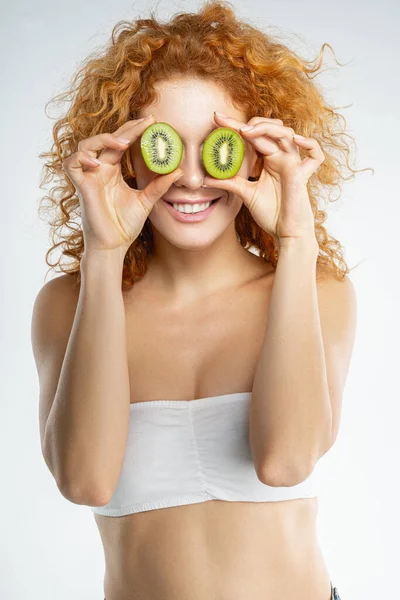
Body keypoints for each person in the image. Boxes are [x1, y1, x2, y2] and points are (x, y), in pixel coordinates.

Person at [31, 2, 359, 598]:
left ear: (259, 151)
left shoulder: (316, 289)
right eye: (163, 145)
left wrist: (295, 236)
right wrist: (103, 254)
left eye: (217, 145)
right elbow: (85, 481)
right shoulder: (68, 303)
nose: (188, 178)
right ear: (124, 152)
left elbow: (285, 461)